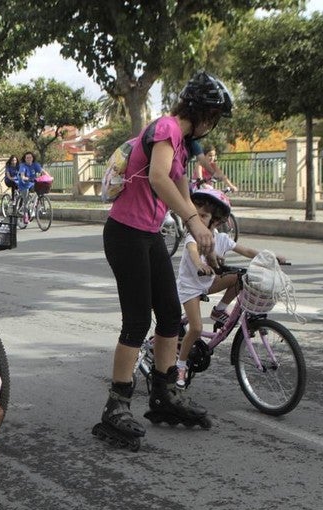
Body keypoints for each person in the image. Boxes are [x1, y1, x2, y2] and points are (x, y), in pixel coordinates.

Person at [93, 71, 233, 448]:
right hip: (124, 234)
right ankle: (117, 404)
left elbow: (182, 192)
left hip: (149, 235)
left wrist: (198, 234)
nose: (213, 125)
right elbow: (158, 177)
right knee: (138, 320)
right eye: (215, 117)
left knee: (171, 314)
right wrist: (191, 222)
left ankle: (164, 392)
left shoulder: (183, 146)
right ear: (204, 112)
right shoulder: (167, 128)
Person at [175, 186, 286, 387]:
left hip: (208, 283)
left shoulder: (221, 239)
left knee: (240, 277)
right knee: (197, 328)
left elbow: (246, 250)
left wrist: (271, 257)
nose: (197, 219)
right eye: (196, 214)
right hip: (190, 287)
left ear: (215, 221)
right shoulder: (193, 237)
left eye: (204, 216)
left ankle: (219, 311)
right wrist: (200, 264)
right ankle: (180, 365)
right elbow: (192, 251)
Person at [16, 151, 43, 224]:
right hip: (24, 184)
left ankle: (35, 207)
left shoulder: (35, 165)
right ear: (24, 159)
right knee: (26, 201)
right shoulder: (23, 166)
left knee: (40, 190)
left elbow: (42, 171)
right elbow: (22, 175)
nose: (29, 159)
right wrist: (25, 178)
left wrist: (49, 176)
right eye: (27, 158)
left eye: (30, 157)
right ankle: (25, 215)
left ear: (32, 158)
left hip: (32, 183)